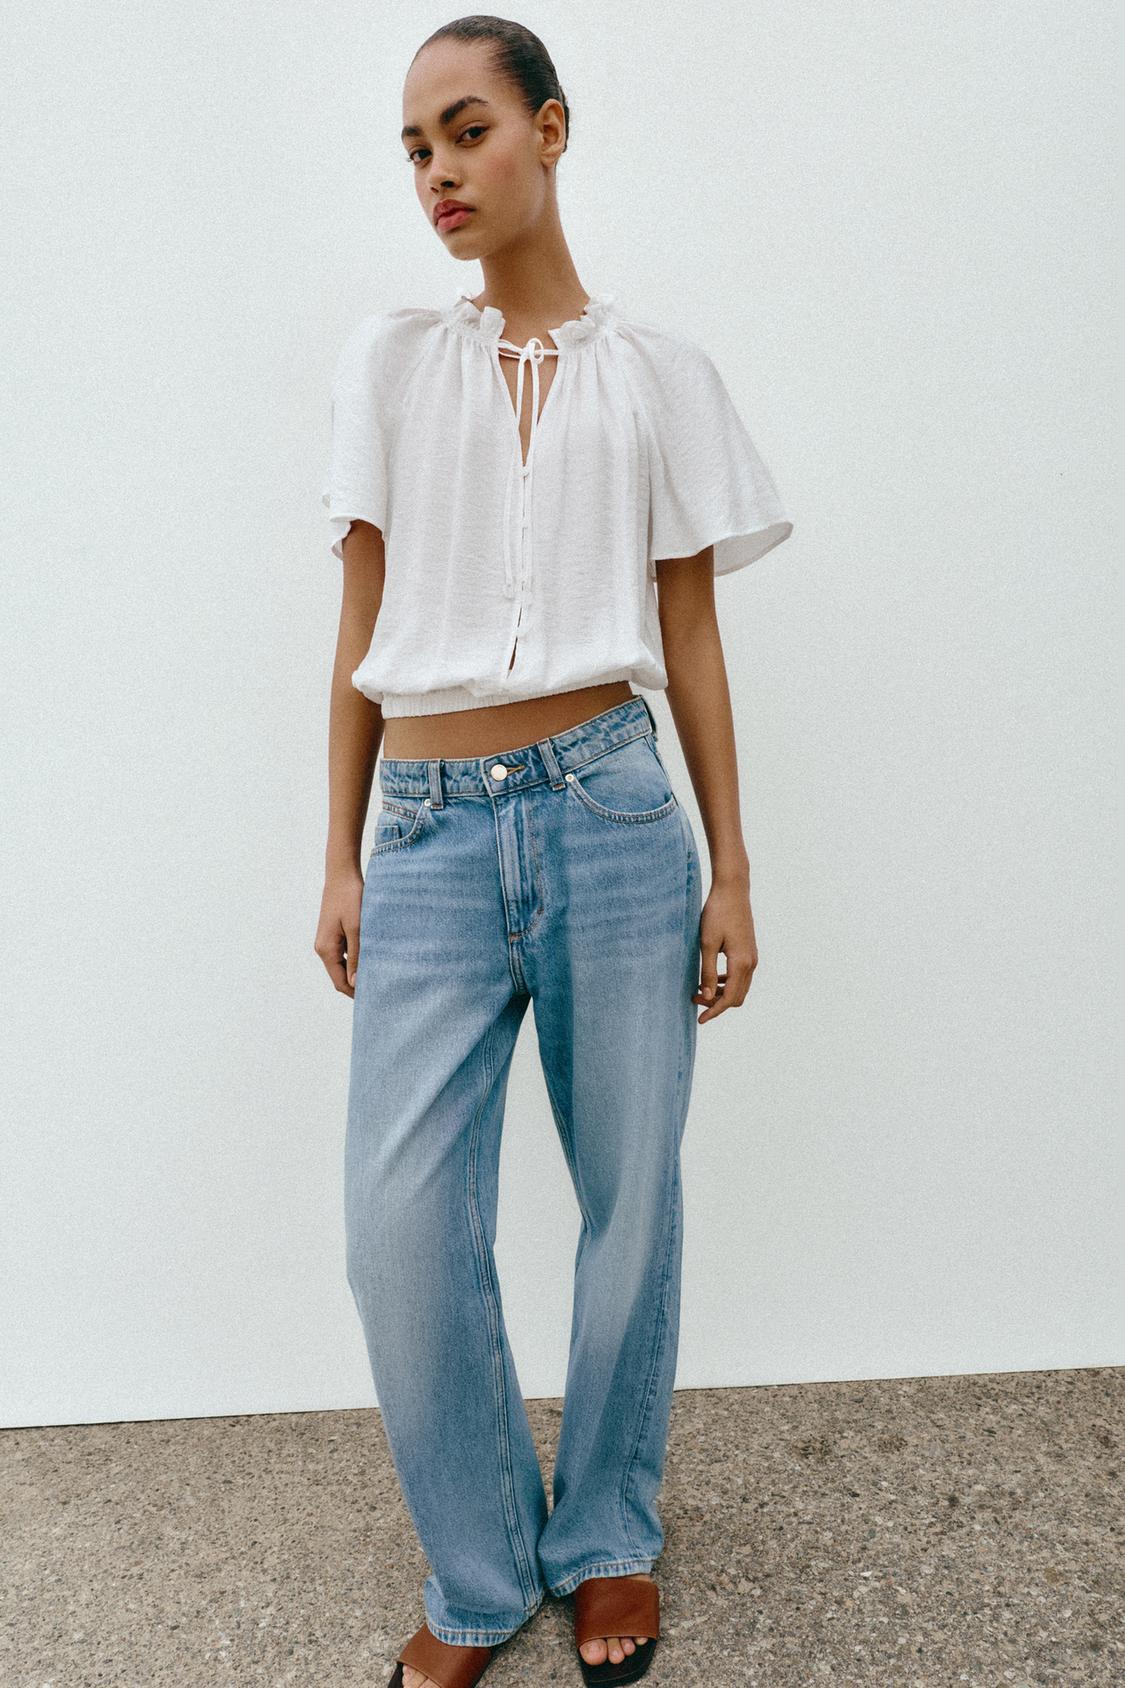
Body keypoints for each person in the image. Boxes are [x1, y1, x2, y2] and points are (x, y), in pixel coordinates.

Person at [315, 18, 793, 1688]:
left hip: (611, 809)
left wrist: (732, 867)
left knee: (627, 1207)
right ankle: (477, 1570)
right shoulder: (391, 363)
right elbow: (359, 624)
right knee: (395, 1222)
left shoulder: (660, 374)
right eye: (415, 148)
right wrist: (342, 853)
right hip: (430, 829)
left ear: (550, 130)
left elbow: (692, 637)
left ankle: (604, 1541)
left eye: (465, 131)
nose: (439, 170)